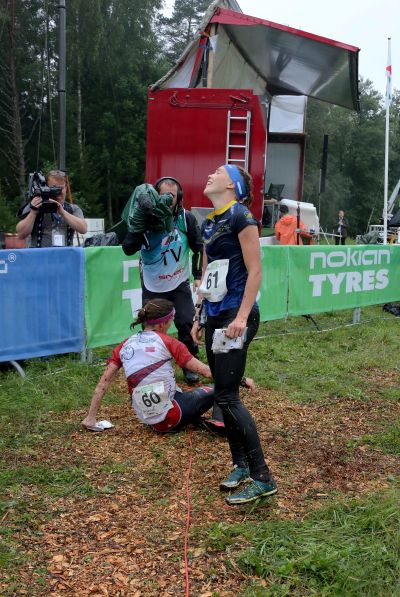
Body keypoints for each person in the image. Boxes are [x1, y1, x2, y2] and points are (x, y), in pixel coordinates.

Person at [191, 164, 277, 506]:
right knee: (222, 392)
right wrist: (199, 315)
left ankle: (263, 477)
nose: (210, 174)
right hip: (214, 315)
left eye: (217, 172)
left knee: (227, 397)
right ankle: (240, 465)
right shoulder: (210, 222)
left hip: (235, 316)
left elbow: (255, 270)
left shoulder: (242, 217)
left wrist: (242, 315)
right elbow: (208, 273)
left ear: (232, 184)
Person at [81, 299, 215, 433]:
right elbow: (207, 372)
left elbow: (103, 383)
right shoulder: (170, 343)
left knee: (176, 389)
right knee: (217, 389)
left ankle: (182, 416)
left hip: (148, 419)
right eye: (171, 320)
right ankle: (220, 421)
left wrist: (90, 418)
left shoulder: (125, 344)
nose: (171, 324)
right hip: (171, 417)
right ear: (162, 323)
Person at [122, 177, 203, 384]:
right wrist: (139, 223)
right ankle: (151, 365)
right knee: (150, 328)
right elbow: (128, 248)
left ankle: (189, 362)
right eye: (162, 196)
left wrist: (198, 275)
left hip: (179, 282)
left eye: (172, 196)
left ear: (179, 198)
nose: (167, 200)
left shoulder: (187, 219)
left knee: (186, 322)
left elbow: (199, 247)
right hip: (153, 285)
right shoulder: (145, 219)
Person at [16, 170, 87, 247]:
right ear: (46, 188)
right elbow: (20, 234)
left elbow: (83, 229)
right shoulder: (35, 206)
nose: (58, 193)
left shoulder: (72, 209)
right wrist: (33, 212)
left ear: (66, 188)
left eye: (61, 189)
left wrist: (63, 213)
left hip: (65, 256)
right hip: (40, 256)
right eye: (54, 188)